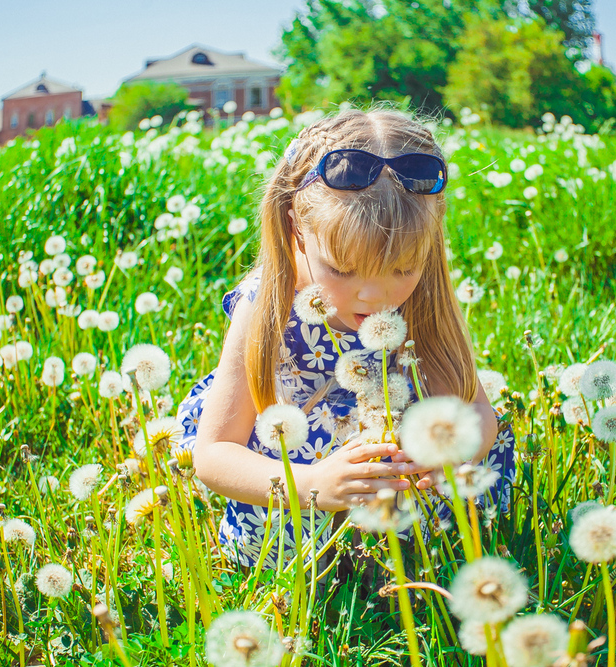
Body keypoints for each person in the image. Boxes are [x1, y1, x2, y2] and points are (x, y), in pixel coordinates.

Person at [181, 108, 515, 569]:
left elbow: (477, 411)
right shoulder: (266, 303)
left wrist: (443, 455)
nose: (374, 294)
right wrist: (316, 485)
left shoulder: (421, 300)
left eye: (402, 269)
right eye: (342, 269)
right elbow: (214, 454)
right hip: (298, 482)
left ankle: (420, 553)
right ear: (296, 228)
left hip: (398, 476)